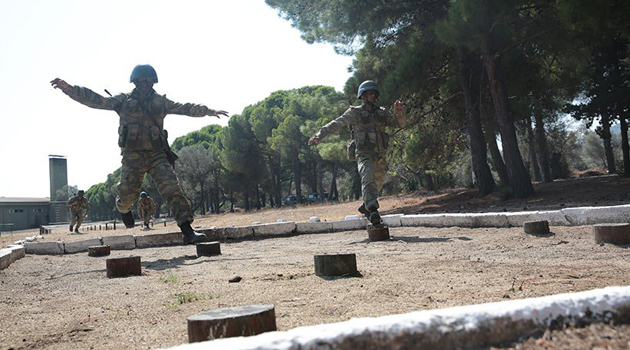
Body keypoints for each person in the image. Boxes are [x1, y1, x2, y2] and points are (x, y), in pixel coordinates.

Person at [51, 64, 229, 244]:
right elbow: (97, 100)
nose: (144, 84)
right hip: (132, 156)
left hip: (157, 155)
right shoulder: (123, 100)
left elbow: (184, 108)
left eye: (148, 80)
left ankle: (187, 231)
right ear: (134, 81)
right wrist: (70, 90)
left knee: (172, 189)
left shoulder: (160, 102)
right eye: (141, 80)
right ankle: (123, 209)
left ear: (153, 81)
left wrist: (208, 111)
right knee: (128, 196)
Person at [308, 80, 405, 226]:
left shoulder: (382, 112)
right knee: (367, 178)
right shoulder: (355, 113)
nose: (371, 96)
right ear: (362, 95)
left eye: (373, 93)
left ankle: (365, 206)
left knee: (377, 183)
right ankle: (372, 210)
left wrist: (399, 111)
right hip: (364, 154)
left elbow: (400, 124)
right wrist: (319, 135)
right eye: (368, 93)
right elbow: (336, 123)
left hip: (380, 155)